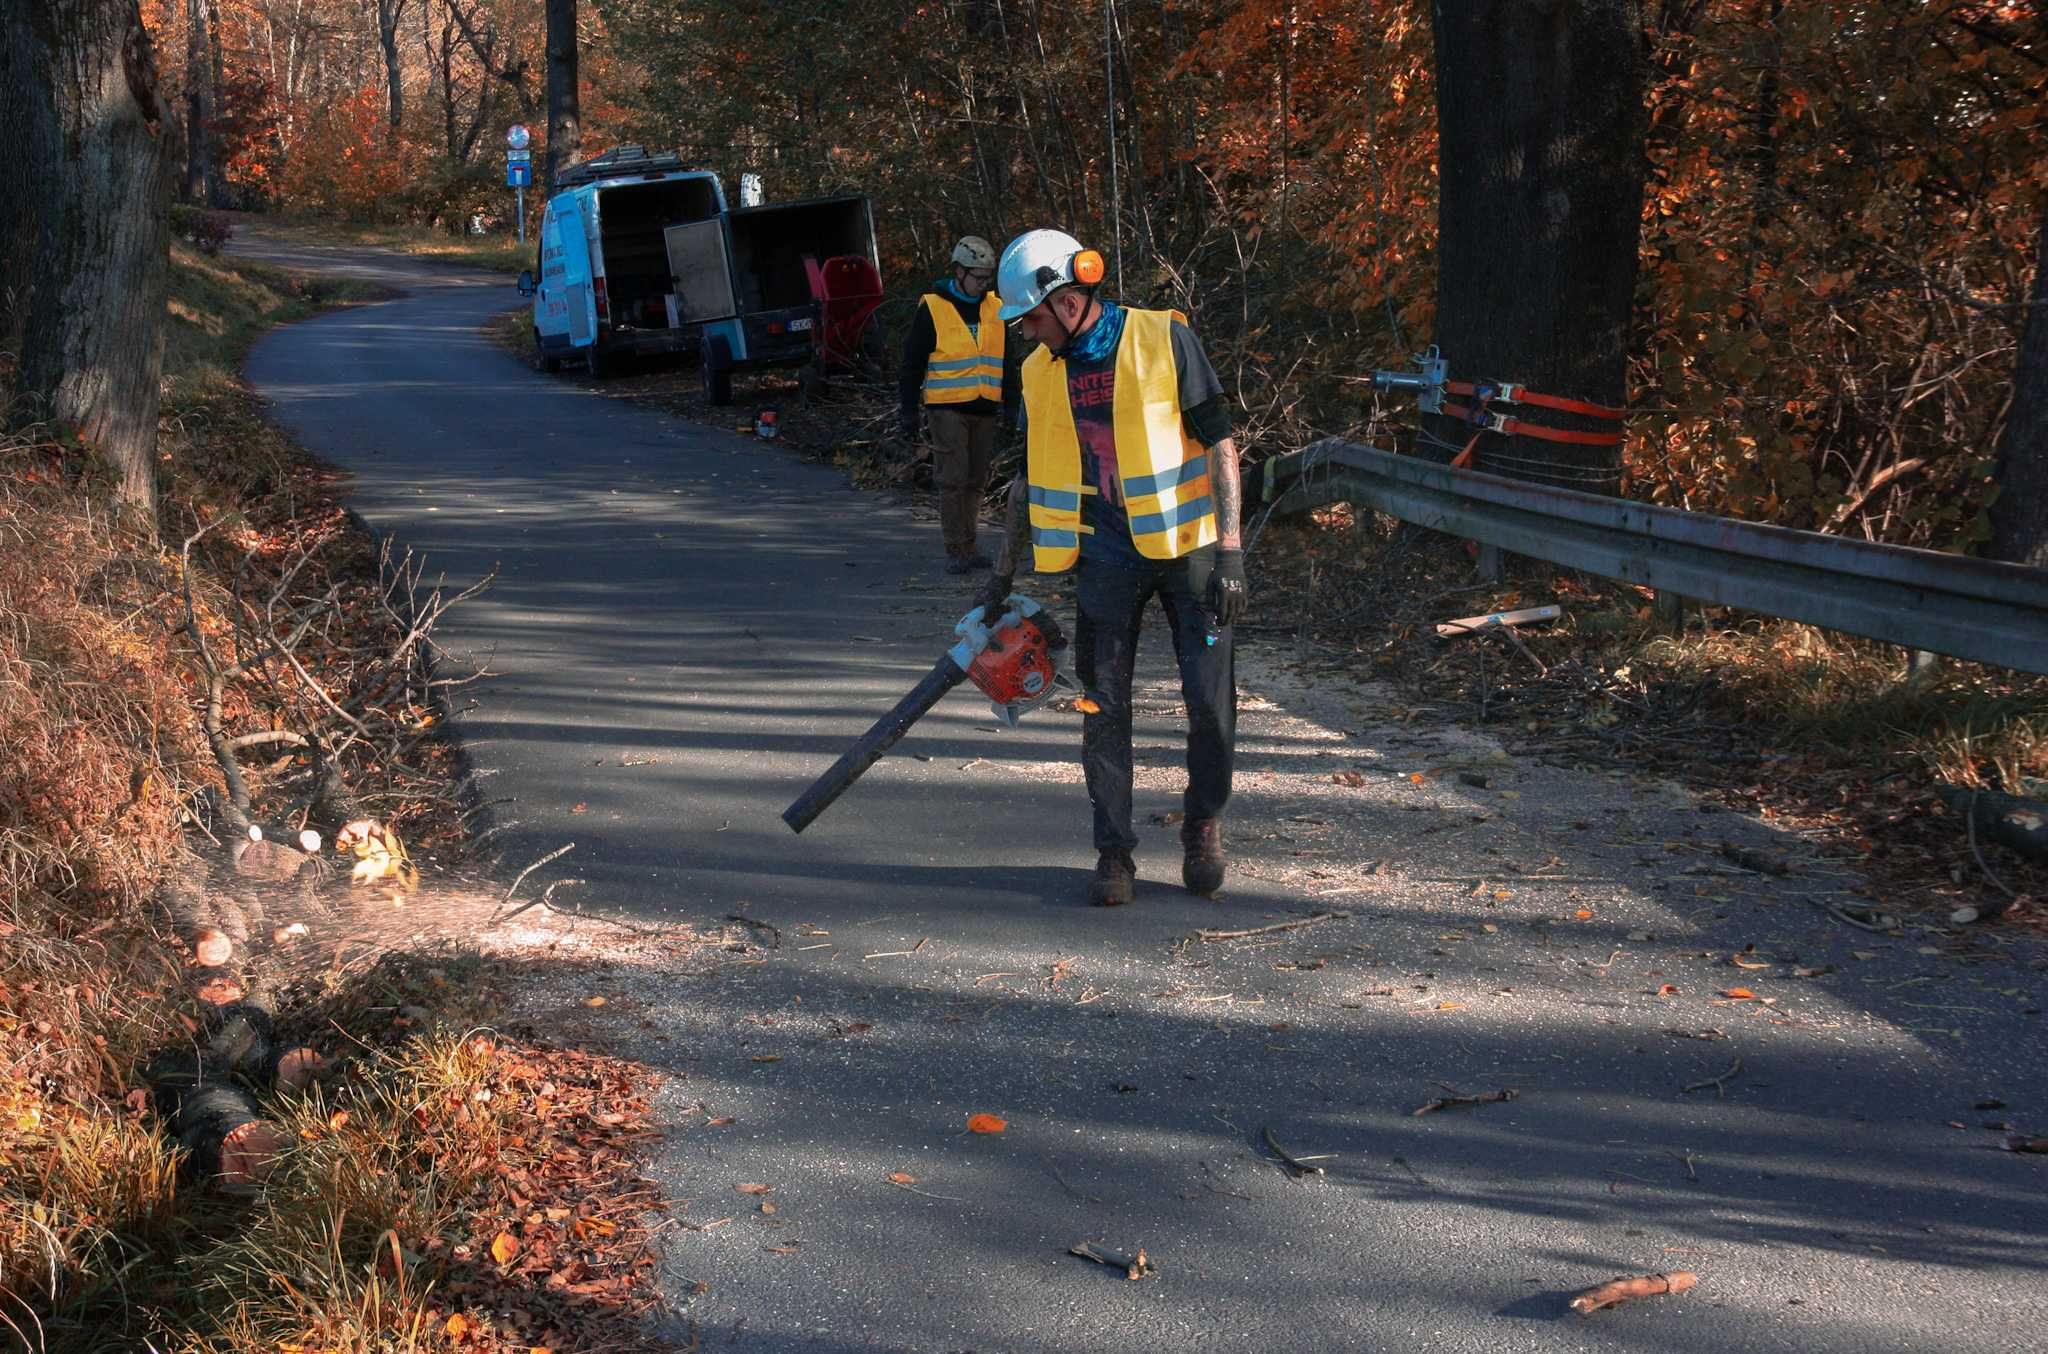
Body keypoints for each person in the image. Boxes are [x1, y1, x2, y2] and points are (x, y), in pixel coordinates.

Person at [973, 229, 1249, 907]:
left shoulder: (1163, 339)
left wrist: (1233, 550)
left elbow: (1221, 443)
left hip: (1190, 552)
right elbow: (1029, 479)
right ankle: (1113, 852)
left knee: (1209, 707)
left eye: (1032, 319)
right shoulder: (1039, 371)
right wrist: (1001, 575)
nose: (1028, 335)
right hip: (1105, 557)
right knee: (1102, 708)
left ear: (1067, 300)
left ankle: (1203, 825)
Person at [898, 235, 1022, 574]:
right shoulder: (933, 308)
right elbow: (912, 364)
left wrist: (1012, 404)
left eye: (987, 278)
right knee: (953, 479)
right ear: (959, 271)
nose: (983, 285)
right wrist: (908, 410)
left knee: (976, 480)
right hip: (947, 409)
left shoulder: (995, 307)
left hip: (985, 408)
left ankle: (970, 545)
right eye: (978, 277)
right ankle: (957, 549)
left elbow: (1007, 360)